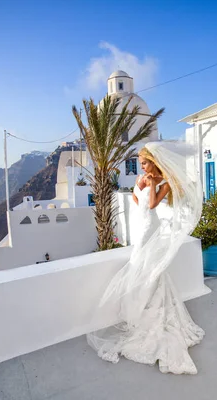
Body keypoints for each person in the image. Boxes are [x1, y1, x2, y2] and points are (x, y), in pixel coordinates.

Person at [87, 141, 204, 375]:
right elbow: (136, 200)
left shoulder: (166, 182)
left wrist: (151, 184)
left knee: (147, 266)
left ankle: (153, 310)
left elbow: (152, 204)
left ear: (154, 162)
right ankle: (142, 308)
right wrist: (139, 185)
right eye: (140, 163)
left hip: (151, 226)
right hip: (141, 225)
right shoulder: (143, 179)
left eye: (144, 163)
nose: (141, 167)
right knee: (141, 264)